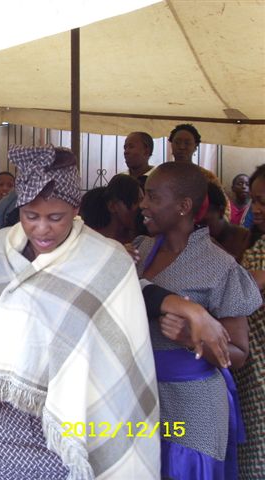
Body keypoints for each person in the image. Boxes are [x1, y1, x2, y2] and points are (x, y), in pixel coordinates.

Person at [0, 144, 160, 479]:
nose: (42, 229)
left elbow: (118, 357)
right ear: (19, 208)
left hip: (63, 434)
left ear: (76, 207)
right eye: (30, 217)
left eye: (56, 218)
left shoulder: (106, 260)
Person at [134, 162, 261, 479]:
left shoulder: (219, 266)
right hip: (143, 397)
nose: (143, 205)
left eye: (152, 197)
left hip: (194, 406)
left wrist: (193, 339)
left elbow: (240, 354)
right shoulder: (140, 250)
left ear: (183, 206)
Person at [234, 164, 265, 478]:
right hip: (254, 373)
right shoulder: (256, 247)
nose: (256, 209)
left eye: (264, 202)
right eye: (255, 200)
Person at [79, 174, 143, 244]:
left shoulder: (140, 240)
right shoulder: (91, 243)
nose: (143, 206)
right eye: (136, 201)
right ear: (112, 206)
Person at [202, 181, 250, 261]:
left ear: (221, 211)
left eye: (202, 223)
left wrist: (218, 251)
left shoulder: (246, 239)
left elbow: (245, 271)